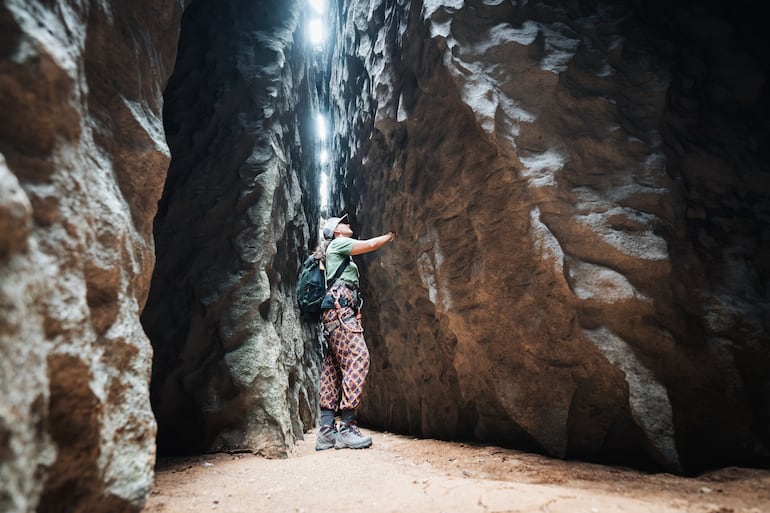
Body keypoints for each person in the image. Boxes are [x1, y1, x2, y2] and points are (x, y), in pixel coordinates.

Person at [314, 213, 395, 450]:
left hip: (332, 314)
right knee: (359, 358)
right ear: (336, 231)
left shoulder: (332, 251)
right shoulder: (339, 244)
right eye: (343, 223)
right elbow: (369, 245)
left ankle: (327, 431)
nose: (348, 224)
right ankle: (348, 426)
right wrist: (391, 236)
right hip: (341, 311)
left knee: (333, 368)